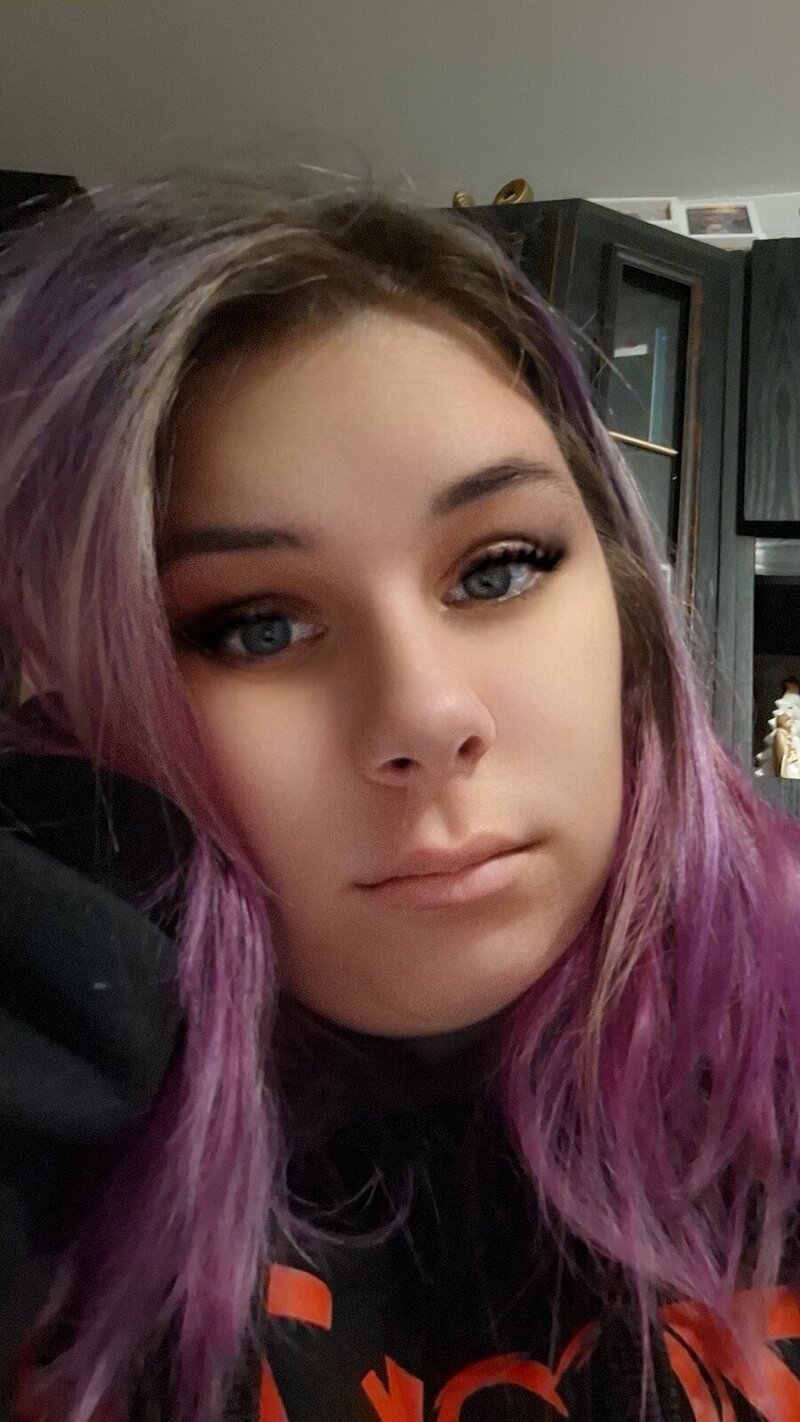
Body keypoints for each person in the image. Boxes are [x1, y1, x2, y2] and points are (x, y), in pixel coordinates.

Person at [2, 174, 800, 1422]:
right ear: (85, 710)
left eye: (497, 570)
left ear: (623, 606)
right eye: (257, 627)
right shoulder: (50, 1127)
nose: (426, 717)